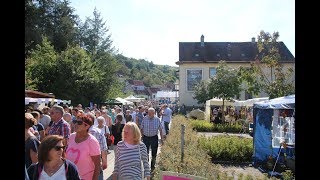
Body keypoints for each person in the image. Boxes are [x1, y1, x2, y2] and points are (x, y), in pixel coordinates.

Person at [66, 113, 101, 180]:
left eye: (79, 123)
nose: (75, 124)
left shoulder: (92, 141)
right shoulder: (71, 137)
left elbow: (97, 165)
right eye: (75, 122)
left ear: (87, 126)